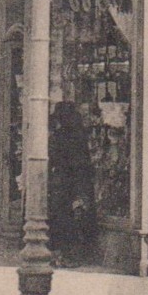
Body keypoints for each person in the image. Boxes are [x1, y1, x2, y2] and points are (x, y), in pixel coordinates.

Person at [48, 100, 97, 268]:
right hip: (79, 180)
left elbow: (55, 157)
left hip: (64, 181)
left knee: (61, 217)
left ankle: (61, 254)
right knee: (76, 216)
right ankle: (71, 254)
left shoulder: (60, 135)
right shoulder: (80, 134)